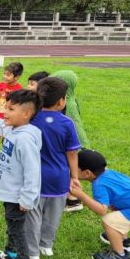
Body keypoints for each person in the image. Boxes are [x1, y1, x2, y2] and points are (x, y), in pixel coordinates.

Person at [0, 90, 42, 259]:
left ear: (26, 114)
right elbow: (4, 127)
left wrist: (27, 198)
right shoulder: (14, 130)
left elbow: (32, 172)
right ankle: (10, 253)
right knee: (11, 225)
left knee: (18, 231)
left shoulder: (25, 139)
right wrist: (7, 119)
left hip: (18, 195)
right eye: (5, 107)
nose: (5, 111)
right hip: (9, 191)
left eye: (11, 109)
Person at [24, 77, 81, 259]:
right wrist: (74, 176)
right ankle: (46, 245)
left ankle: (32, 252)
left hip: (34, 176)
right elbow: (72, 153)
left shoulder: (30, 118)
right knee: (54, 214)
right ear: (61, 101)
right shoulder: (67, 123)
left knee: (33, 214)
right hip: (59, 177)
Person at [70, 149, 130, 259]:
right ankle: (123, 241)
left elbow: (102, 210)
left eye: (73, 168)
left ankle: (121, 256)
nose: (71, 170)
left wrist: (81, 195)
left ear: (87, 173)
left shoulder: (99, 184)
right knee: (118, 215)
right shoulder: (109, 173)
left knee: (109, 221)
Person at [52, 70, 91, 212]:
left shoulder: (67, 104)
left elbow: (71, 125)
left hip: (72, 143)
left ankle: (73, 200)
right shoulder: (71, 99)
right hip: (73, 141)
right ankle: (71, 198)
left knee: (69, 171)